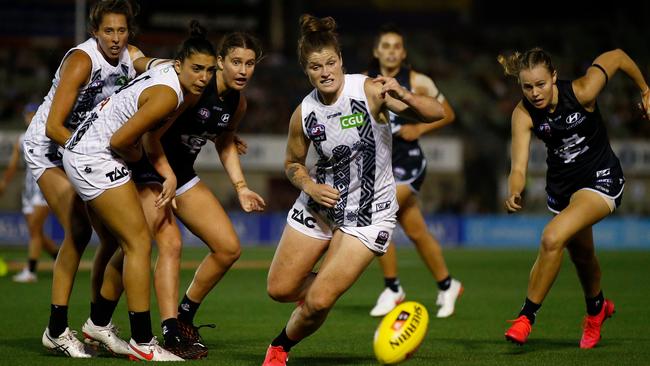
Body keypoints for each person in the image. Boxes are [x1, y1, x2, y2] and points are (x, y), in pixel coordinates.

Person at [262, 14, 445, 365]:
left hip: (371, 213)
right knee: (279, 289)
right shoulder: (304, 114)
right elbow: (291, 164)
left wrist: (404, 93)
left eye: (331, 62)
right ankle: (330, 283)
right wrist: (309, 186)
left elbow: (434, 113)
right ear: (307, 71)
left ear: (341, 61)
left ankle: (280, 347)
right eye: (316, 67)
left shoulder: (369, 91)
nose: (326, 71)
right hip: (320, 204)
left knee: (317, 301)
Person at [62, 20, 219, 361]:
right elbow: (123, 141)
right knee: (138, 244)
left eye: (209, 70)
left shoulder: (166, 72)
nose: (204, 77)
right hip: (94, 155)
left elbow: (148, 130)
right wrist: (142, 161)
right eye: (197, 69)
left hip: (89, 150)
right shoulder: (169, 94)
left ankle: (99, 325)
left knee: (129, 243)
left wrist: (167, 175)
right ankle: (143, 341)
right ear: (180, 65)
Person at [499, 48, 650, 348]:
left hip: (600, 179)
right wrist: (514, 189)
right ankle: (597, 310)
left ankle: (526, 317)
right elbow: (518, 167)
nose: (535, 93)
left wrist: (646, 90)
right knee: (582, 257)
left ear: (554, 77)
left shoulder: (583, 90)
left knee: (552, 237)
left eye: (541, 84)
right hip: (562, 189)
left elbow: (618, 56)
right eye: (527, 87)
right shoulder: (523, 113)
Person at [22, 0, 147, 357]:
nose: (115, 38)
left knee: (115, 236)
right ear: (95, 31)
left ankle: (98, 324)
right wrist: (90, 151)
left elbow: (150, 66)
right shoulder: (81, 60)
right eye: (108, 30)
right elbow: (53, 125)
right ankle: (57, 330)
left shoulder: (129, 55)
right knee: (78, 231)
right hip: (50, 147)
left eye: (122, 30)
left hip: (81, 148)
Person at [142, 31, 266, 355]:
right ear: (220, 62)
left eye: (250, 63)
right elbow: (151, 134)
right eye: (236, 62)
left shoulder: (238, 102)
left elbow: (224, 139)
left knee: (228, 248)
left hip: (181, 174)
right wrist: (161, 175)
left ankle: (183, 318)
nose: (243, 70)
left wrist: (241, 188)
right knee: (134, 248)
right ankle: (110, 325)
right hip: (147, 168)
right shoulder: (194, 88)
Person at [366, 24, 463, 319]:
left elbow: (447, 113)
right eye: (386, 46)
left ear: (404, 53)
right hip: (383, 163)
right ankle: (448, 284)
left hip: (409, 163)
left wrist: (419, 127)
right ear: (376, 51)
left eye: (397, 46)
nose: (391, 51)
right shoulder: (368, 82)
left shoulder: (418, 81)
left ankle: (393, 288)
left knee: (376, 213)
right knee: (416, 230)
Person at [0, 103, 58, 283]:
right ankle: (60, 258)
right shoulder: (21, 139)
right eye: (28, 114)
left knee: (34, 228)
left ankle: (31, 271)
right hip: (28, 190)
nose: (30, 117)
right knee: (37, 231)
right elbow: (13, 165)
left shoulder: (47, 135)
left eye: (33, 114)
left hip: (43, 189)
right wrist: (4, 182)